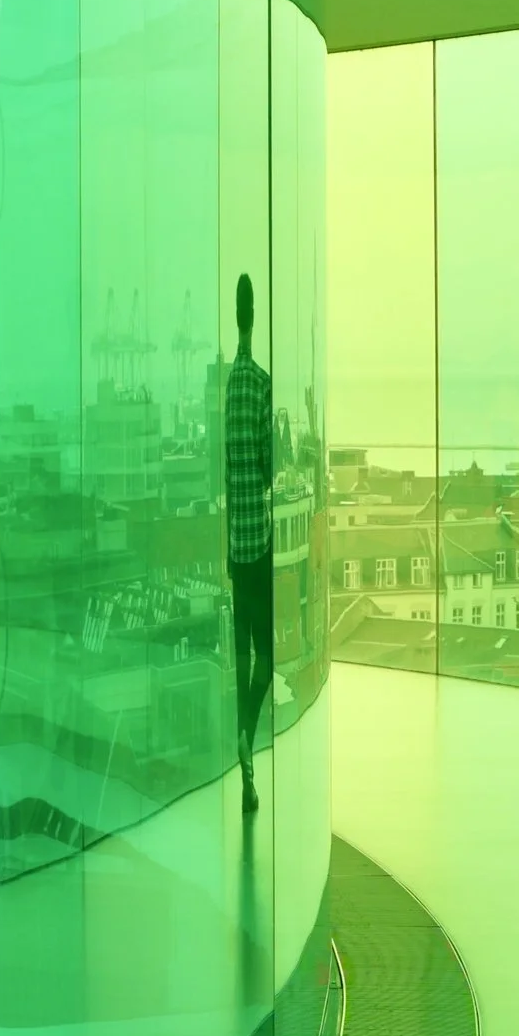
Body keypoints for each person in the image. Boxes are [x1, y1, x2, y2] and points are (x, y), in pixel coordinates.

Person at [223, 272, 276, 815]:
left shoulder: (229, 389)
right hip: (259, 544)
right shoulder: (260, 384)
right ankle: (247, 732)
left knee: (242, 658)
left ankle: (247, 768)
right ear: (254, 318)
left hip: (235, 548)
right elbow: (268, 471)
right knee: (268, 658)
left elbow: (227, 472)